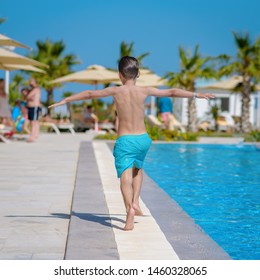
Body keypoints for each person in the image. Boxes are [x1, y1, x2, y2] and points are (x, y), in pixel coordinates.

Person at [49, 56, 215, 231]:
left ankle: (129, 209)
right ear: (138, 74)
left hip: (125, 140)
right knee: (138, 169)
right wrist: (197, 94)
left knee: (125, 177)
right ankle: (136, 202)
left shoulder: (116, 91)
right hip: (143, 139)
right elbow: (172, 92)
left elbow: (90, 94)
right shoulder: (144, 90)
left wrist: (66, 100)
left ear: (120, 75)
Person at [26, 78, 41, 142]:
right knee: (34, 121)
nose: (30, 82)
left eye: (31, 81)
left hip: (34, 107)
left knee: (33, 122)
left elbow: (28, 96)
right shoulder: (32, 90)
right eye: (30, 81)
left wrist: (28, 96)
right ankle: (35, 134)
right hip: (31, 107)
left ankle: (32, 137)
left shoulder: (36, 89)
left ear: (35, 82)